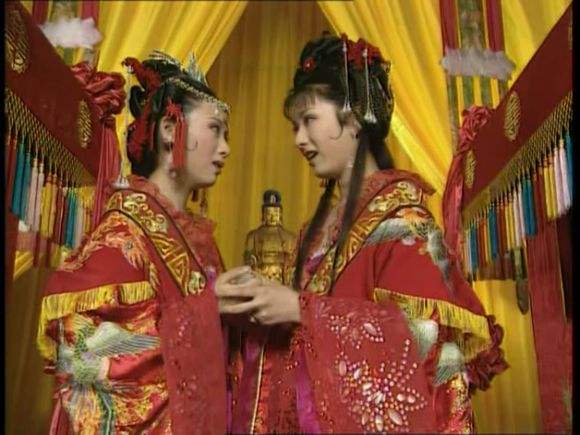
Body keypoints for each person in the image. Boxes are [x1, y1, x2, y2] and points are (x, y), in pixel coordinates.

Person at [217, 33, 508, 433]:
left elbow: (421, 342)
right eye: (294, 126)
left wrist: (302, 310)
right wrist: (251, 316)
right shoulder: (315, 234)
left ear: (354, 119)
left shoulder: (404, 224)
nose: (299, 139)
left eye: (309, 120)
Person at [37, 50, 234, 434]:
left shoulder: (197, 241)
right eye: (215, 129)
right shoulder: (123, 231)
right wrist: (206, 312)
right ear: (170, 129)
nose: (226, 147)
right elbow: (80, 349)